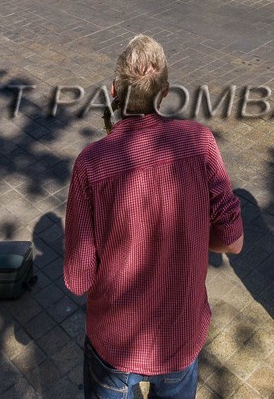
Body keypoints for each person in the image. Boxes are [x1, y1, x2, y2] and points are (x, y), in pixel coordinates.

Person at [65, 35, 244, 398]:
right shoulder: (200, 142)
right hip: (180, 336)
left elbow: (78, 279)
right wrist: (190, 237)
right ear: (164, 93)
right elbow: (234, 242)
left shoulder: (91, 163)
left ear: (114, 89)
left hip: (115, 344)